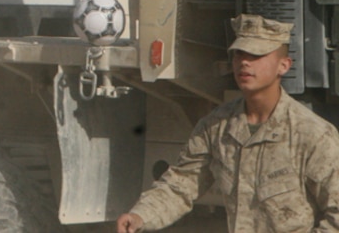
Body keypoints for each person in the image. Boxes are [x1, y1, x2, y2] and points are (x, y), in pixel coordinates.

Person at [116, 14, 339, 232]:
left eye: (255, 55)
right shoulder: (217, 127)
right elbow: (182, 184)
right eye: (239, 54)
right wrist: (141, 216)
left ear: (283, 65)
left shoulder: (313, 135)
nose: (244, 62)